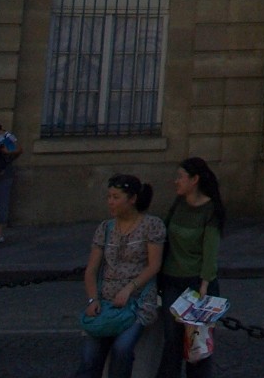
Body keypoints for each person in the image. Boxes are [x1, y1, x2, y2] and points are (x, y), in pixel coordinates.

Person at [73, 174, 163, 378]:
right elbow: (91, 270)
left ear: (131, 199)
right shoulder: (105, 228)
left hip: (136, 301)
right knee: (89, 357)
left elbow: (154, 264)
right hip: (105, 301)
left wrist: (129, 288)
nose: (110, 202)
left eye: (116, 197)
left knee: (122, 349)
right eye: (109, 197)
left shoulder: (151, 225)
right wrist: (92, 298)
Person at [156, 157, 223, 377]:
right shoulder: (178, 204)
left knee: (196, 344)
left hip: (197, 284)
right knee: (172, 340)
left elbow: (210, 250)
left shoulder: (210, 210)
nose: (176, 181)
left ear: (194, 180)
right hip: (171, 280)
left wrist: (204, 285)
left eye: (180, 177)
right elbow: (164, 236)